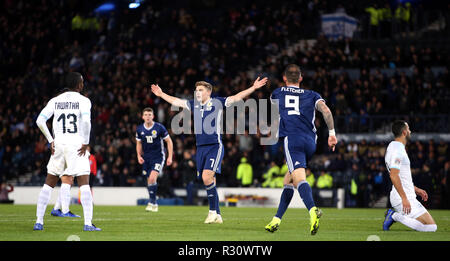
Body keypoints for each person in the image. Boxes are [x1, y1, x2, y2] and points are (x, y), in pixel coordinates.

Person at [151, 77, 268, 224]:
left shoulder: (217, 103)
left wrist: (253, 88)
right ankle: (218, 215)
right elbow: (177, 102)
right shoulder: (194, 105)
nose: (197, 92)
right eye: (196, 90)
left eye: (200, 90)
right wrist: (161, 94)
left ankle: (212, 212)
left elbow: (236, 97)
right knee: (210, 180)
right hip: (200, 148)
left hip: (214, 146)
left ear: (208, 92)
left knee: (207, 178)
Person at [265, 64, 337, 235]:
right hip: (311, 142)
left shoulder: (277, 92)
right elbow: (326, 111)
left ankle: (313, 210)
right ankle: (276, 220)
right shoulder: (313, 95)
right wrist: (332, 133)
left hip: (293, 139)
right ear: (301, 78)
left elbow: (275, 110)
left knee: (298, 179)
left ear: (284, 78)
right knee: (288, 180)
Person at [34, 72, 100, 231]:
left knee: (49, 183)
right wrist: (85, 142)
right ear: (79, 84)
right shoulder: (84, 101)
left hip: (59, 144)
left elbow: (39, 120)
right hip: (76, 144)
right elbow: (86, 121)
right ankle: (88, 224)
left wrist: (51, 140)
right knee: (83, 182)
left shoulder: (55, 101)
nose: (83, 85)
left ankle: (39, 222)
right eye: (82, 82)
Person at [383, 120, 437, 232]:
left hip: (406, 194)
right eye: (408, 129)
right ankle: (394, 216)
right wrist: (404, 198)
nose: (410, 131)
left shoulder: (393, 147)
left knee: (430, 225)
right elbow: (393, 175)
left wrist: (416, 189)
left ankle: (395, 215)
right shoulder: (398, 150)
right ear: (404, 132)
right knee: (431, 227)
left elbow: (401, 177)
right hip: (402, 197)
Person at [136, 107, 173, 212]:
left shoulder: (159, 127)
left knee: (152, 178)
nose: (148, 117)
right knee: (149, 180)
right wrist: (139, 156)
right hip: (146, 158)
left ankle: (152, 202)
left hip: (158, 157)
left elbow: (169, 141)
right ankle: (154, 202)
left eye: (150, 115)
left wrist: (170, 157)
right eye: (146, 115)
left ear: (153, 116)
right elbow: (138, 143)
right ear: (142, 117)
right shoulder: (140, 129)